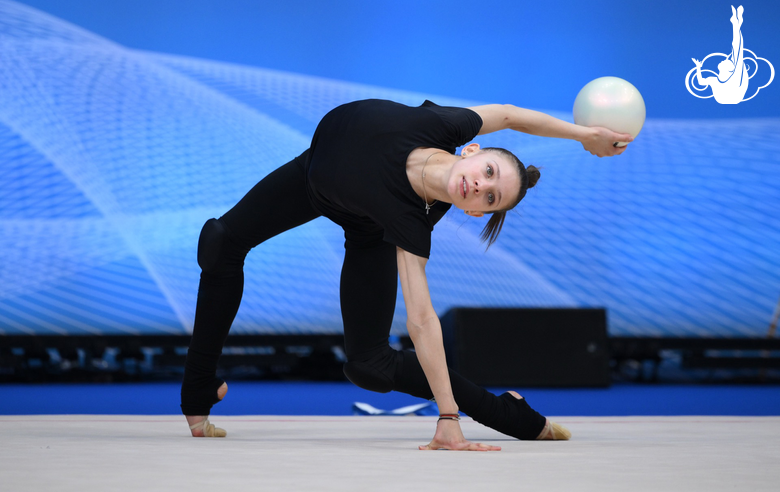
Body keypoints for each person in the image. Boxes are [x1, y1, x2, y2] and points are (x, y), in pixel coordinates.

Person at [180, 98, 632, 451]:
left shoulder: (409, 224)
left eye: (491, 197)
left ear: (474, 212)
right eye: (488, 171)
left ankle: (503, 412)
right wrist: (584, 134)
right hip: (315, 174)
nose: (482, 185)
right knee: (220, 242)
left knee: (369, 367)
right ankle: (197, 388)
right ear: (472, 150)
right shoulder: (446, 125)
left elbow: (421, 321)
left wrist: (449, 418)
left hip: (368, 227)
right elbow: (511, 115)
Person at [692, 5, 748, 104]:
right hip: (725, 99)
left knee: (737, 50)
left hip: (734, 97)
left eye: (726, 61)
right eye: (726, 60)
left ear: (729, 69)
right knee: (736, 51)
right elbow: (701, 82)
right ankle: (736, 23)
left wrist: (736, 25)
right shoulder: (713, 79)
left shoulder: (735, 76)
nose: (724, 59)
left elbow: (737, 48)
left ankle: (736, 24)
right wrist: (698, 67)